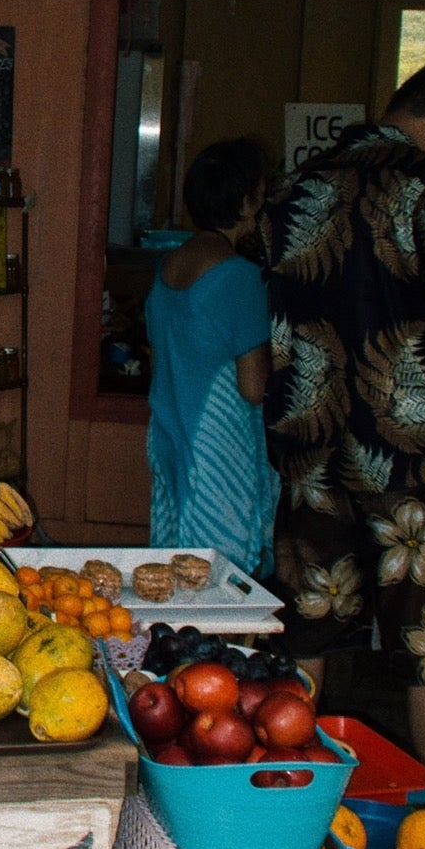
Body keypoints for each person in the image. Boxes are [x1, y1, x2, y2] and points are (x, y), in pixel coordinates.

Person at [262, 54, 425, 828]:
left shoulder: (305, 181)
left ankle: (281, 806)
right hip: (412, 455)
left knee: (310, 623)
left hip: (314, 444)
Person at [144, 137, 274, 571]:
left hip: (169, 434)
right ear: (246, 200)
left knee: (174, 568)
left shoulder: (168, 269)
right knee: (220, 574)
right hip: (219, 446)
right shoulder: (241, 278)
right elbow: (253, 388)